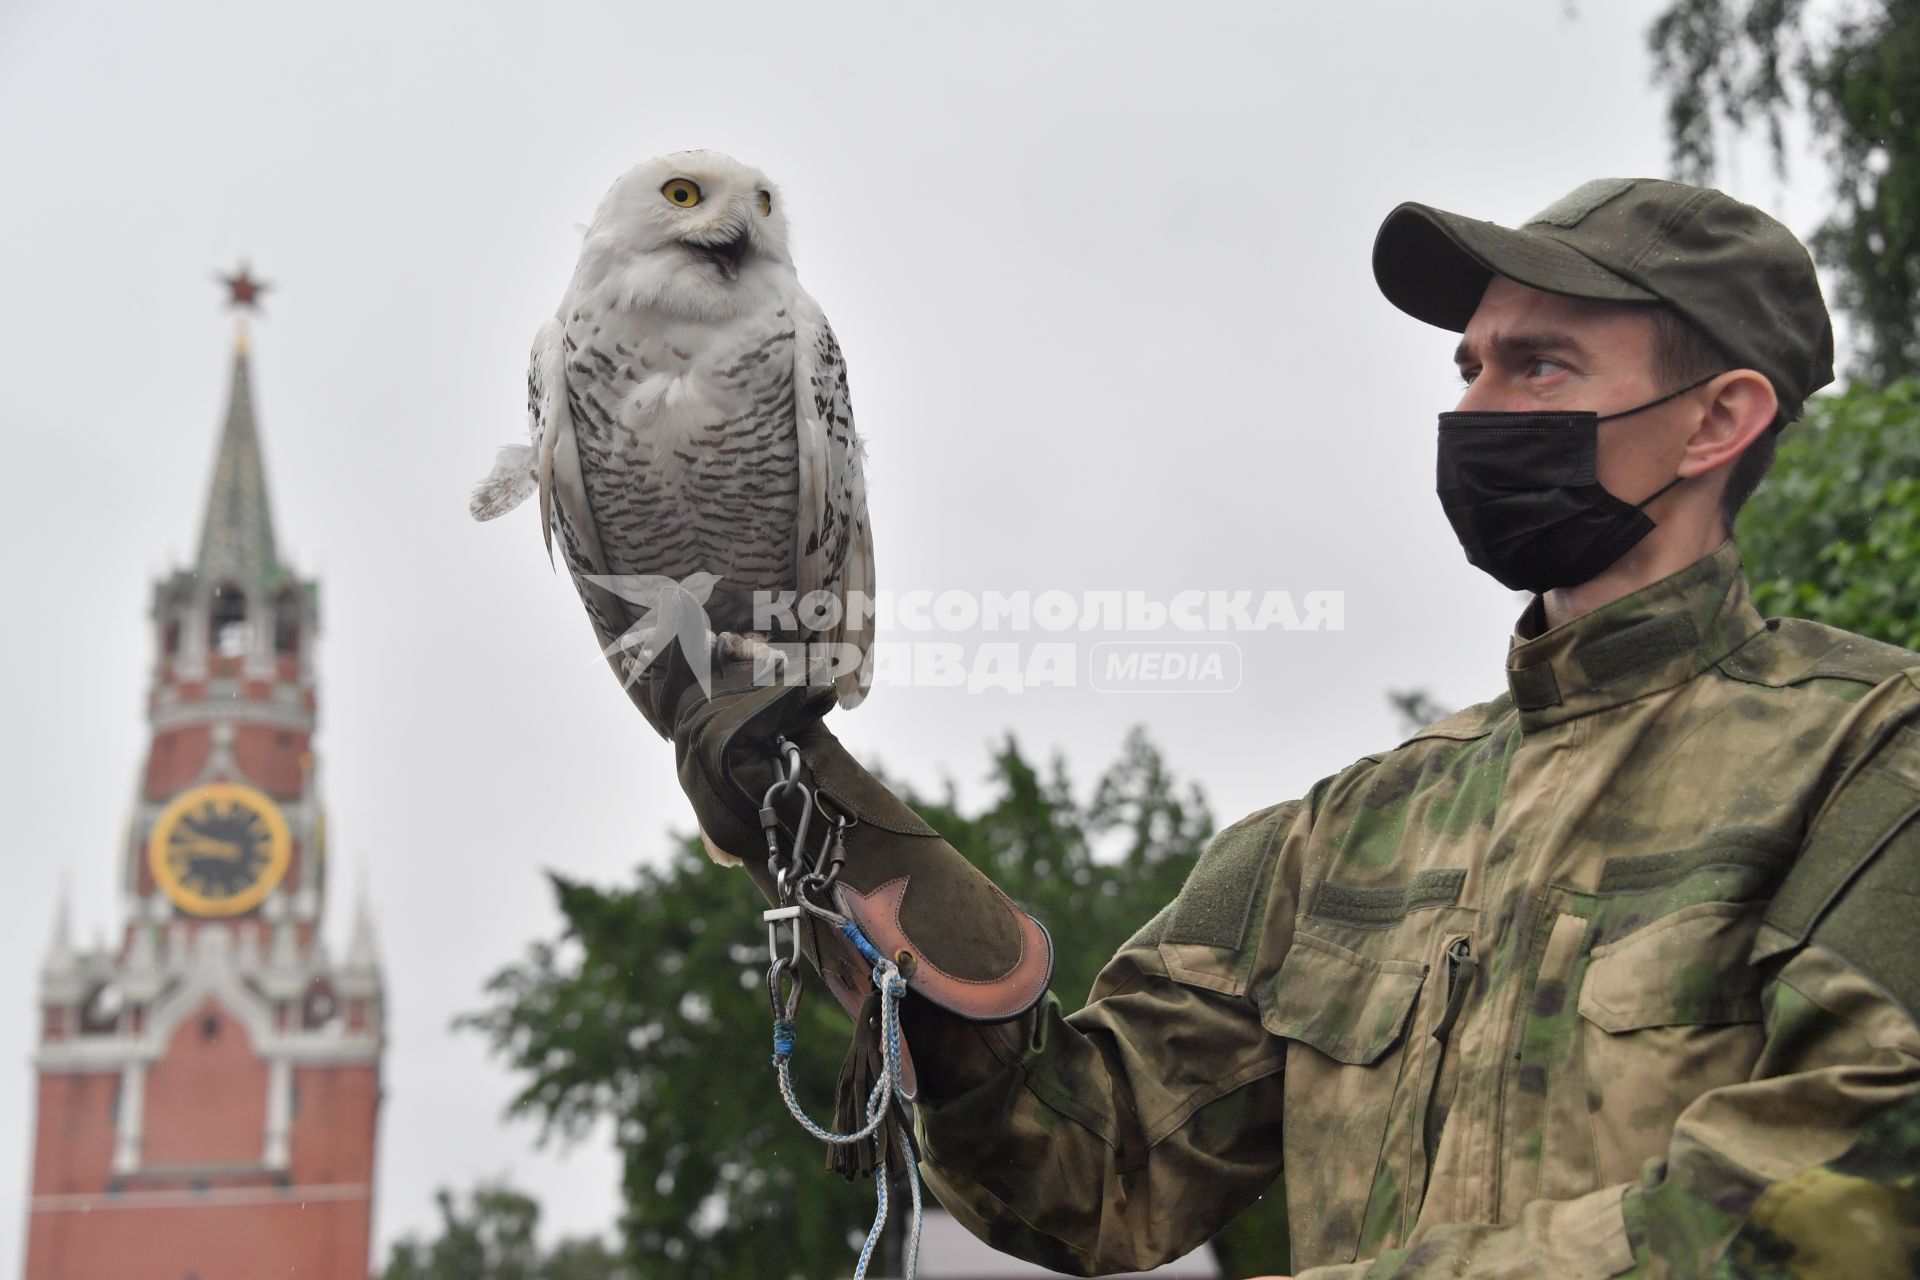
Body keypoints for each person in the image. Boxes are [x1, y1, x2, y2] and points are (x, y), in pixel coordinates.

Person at [646, 178, 1920, 1278]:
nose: (1472, 415)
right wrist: (823, 824)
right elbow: (1084, 1166)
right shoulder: (1347, 835)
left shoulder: (1869, 753)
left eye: (1540, 365)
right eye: (1469, 367)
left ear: (1718, 418)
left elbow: (1844, 1196)